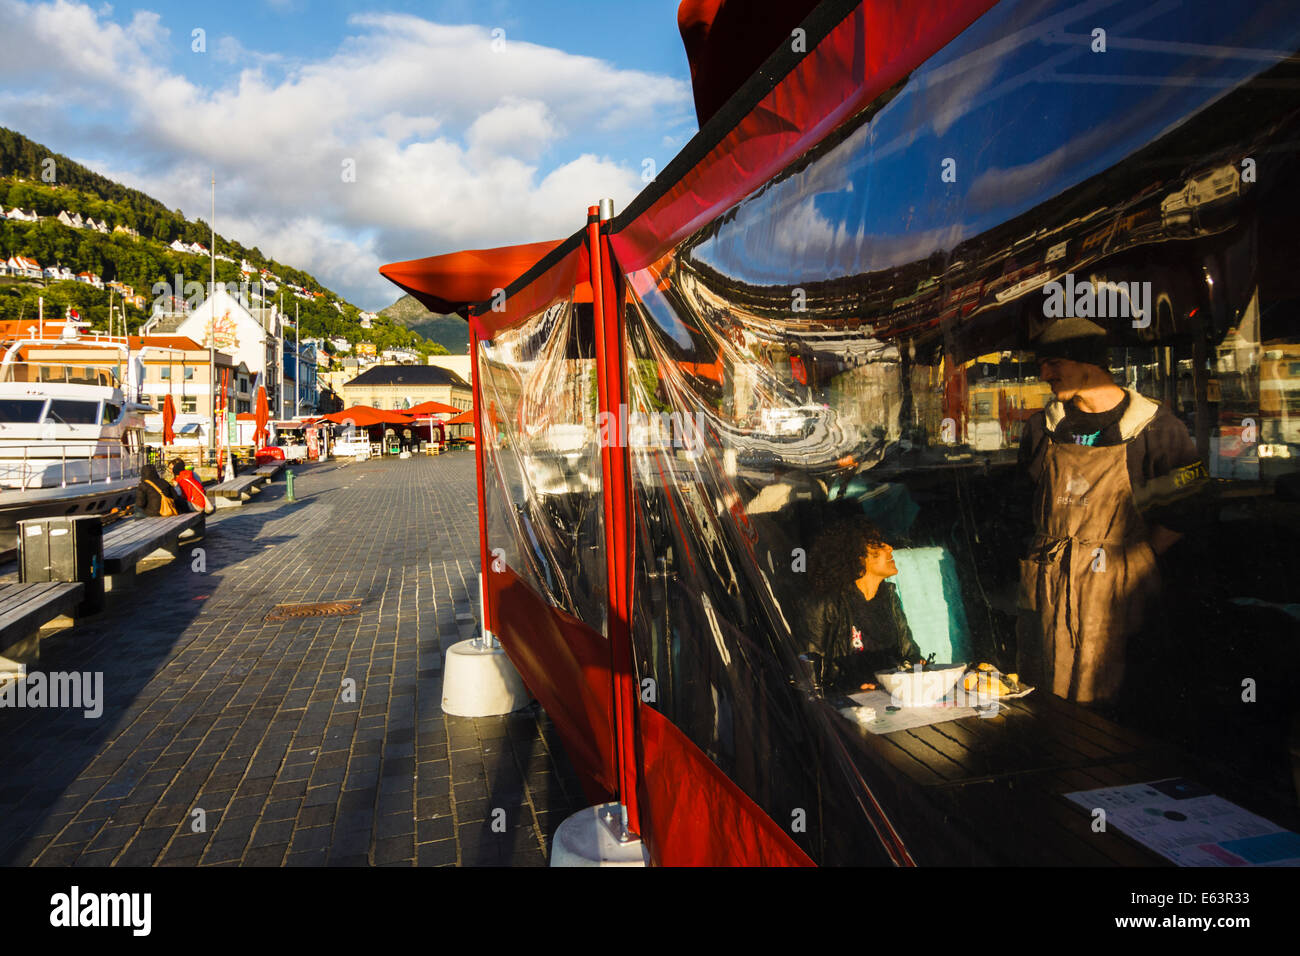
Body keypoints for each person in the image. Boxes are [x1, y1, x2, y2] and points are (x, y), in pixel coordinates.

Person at [1016, 317, 1207, 708]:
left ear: (1088, 363)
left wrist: (1139, 560)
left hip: (1119, 594)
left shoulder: (1158, 428)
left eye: (1054, 363)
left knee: (1114, 700)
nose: (1044, 374)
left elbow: (1190, 509)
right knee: (1043, 692)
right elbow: (1024, 501)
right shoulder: (1043, 428)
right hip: (1050, 587)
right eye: (1042, 364)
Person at [800, 514, 923, 693]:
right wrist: (851, 688)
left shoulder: (889, 597)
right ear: (857, 556)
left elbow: (910, 654)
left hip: (893, 697)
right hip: (849, 708)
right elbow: (810, 678)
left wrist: (918, 670)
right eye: (879, 544)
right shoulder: (825, 605)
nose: (889, 547)